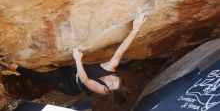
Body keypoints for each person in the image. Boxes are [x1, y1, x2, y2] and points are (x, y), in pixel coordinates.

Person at [2, 13, 146, 106]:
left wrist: (78, 59)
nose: (110, 81)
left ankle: (15, 68)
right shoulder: (111, 67)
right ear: (117, 76)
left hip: (70, 86)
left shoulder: (102, 89)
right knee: (59, 68)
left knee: (45, 77)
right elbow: (121, 50)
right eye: (115, 80)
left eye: (111, 85)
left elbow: (85, 80)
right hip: (73, 72)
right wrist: (136, 28)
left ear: (108, 89)